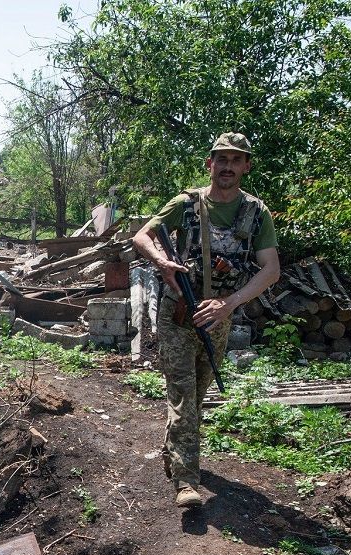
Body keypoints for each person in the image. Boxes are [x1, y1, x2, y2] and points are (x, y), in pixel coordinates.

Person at [131, 132, 281, 508]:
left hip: (218, 316)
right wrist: (162, 262)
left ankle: (174, 450)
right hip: (178, 311)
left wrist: (229, 304)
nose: (228, 166)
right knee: (182, 394)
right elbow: (142, 236)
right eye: (221, 159)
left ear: (246, 166)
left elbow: (271, 270)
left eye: (236, 160)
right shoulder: (186, 204)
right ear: (209, 164)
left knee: (196, 397)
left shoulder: (256, 213)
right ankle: (187, 481)